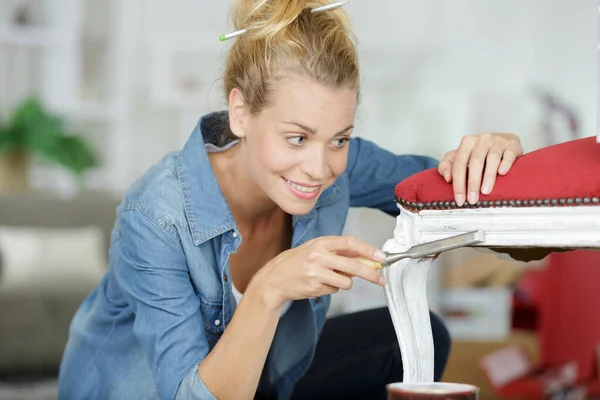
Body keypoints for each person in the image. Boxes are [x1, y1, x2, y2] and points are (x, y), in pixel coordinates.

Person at [58, 1, 524, 399]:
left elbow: (456, 192)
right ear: (240, 113)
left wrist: (497, 157)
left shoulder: (335, 167)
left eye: (339, 139)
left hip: (260, 381)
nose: (320, 169)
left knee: (416, 338)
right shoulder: (155, 216)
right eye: (297, 138)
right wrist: (269, 287)